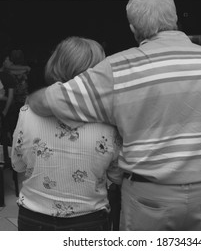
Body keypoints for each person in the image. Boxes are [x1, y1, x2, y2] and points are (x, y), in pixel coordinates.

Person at [28, 0, 201, 231]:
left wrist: (32, 99)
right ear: (175, 19)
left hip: (148, 197)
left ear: (133, 29)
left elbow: (48, 102)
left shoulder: (118, 69)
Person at [11, 36, 122, 231]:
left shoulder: (27, 114)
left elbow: (18, 164)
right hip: (88, 219)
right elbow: (116, 174)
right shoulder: (109, 121)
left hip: (34, 218)